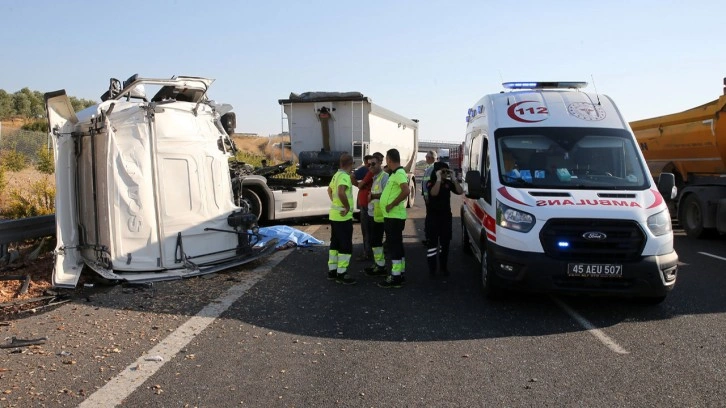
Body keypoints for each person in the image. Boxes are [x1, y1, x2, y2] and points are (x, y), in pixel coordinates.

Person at [378, 148, 410, 289]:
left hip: (394, 217)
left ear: (389, 159)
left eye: (386, 159)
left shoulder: (399, 174)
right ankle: (400, 273)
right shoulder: (395, 173)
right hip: (392, 216)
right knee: (397, 245)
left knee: (394, 246)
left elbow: (406, 190)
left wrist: (392, 204)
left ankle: (396, 277)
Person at [425, 161, 463, 277]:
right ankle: (432, 270)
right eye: (442, 171)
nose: (444, 173)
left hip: (445, 218)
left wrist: (453, 178)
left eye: (446, 171)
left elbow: (460, 191)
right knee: (432, 245)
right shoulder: (430, 183)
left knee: (445, 245)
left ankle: (443, 267)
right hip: (433, 218)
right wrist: (438, 179)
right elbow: (434, 193)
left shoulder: (448, 183)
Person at [327, 153, 356, 285]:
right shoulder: (344, 176)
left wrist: (336, 203)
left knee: (335, 244)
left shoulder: (336, 175)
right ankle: (342, 273)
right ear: (351, 164)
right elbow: (340, 191)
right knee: (345, 245)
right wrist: (347, 206)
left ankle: (332, 270)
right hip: (343, 217)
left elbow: (329, 190)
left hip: (334, 215)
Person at [363, 152, 389, 276]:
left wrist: (372, 196)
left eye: (373, 164)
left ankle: (381, 266)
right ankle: (378, 264)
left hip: (379, 216)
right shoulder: (375, 177)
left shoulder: (384, 177)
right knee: (374, 242)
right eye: (369, 165)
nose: (371, 167)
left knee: (376, 241)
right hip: (372, 213)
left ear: (380, 163)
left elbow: (386, 195)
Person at [353, 155, 374, 261]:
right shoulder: (377, 172)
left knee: (366, 229)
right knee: (371, 229)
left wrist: (359, 185)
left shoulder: (367, 170)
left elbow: (353, 177)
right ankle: (371, 251)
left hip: (366, 204)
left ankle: (367, 252)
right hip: (369, 204)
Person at [421, 150, 437, 245]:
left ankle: (430, 239)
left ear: (431, 158)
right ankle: (429, 238)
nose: (425, 158)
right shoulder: (429, 168)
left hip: (430, 198)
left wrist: (427, 197)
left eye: (427, 157)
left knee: (430, 218)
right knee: (430, 218)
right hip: (429, 198)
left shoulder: (432, 169)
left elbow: (427, 185)